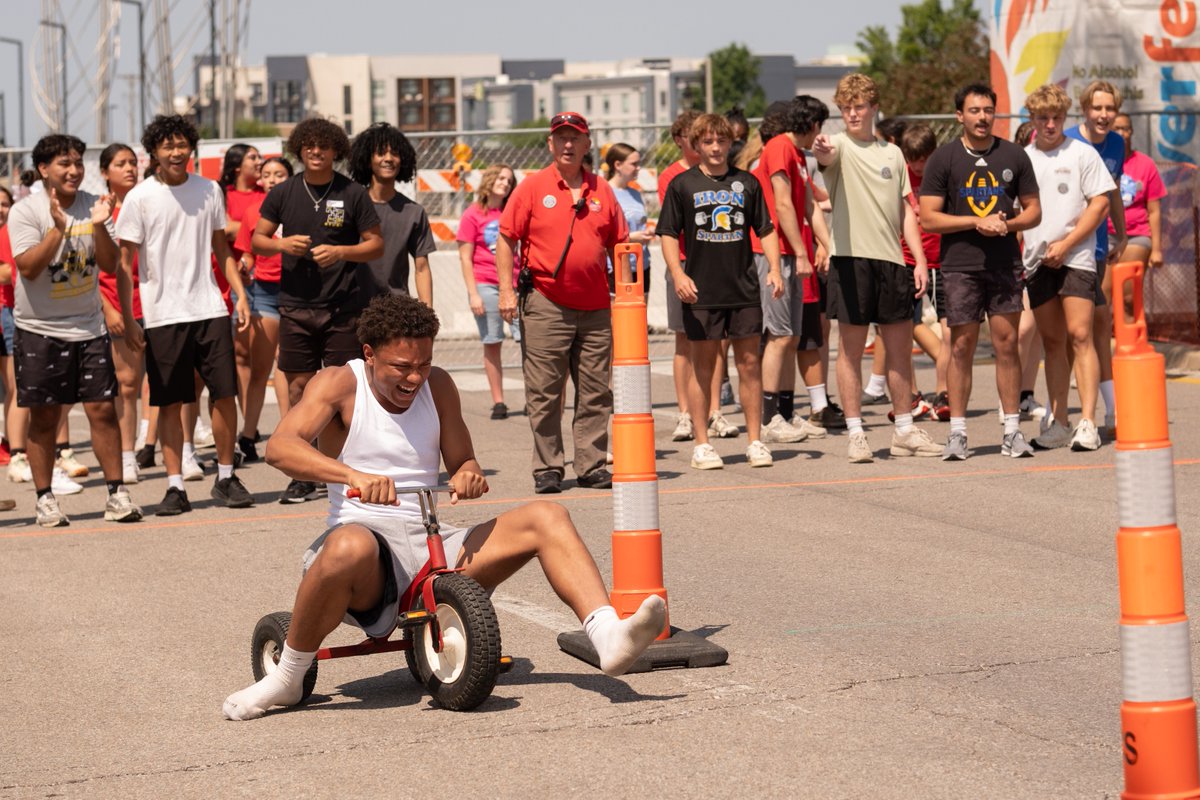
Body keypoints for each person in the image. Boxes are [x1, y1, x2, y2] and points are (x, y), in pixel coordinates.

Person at [221, 294, 666, 720]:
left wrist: (468, 472)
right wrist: (351, 476)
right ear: (370, 353)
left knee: (547, 517)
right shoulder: (339, 383)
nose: (414, 378)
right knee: (349, 545)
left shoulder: (438, 386)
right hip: (363, 550)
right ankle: (288, 676)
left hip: (432, 541)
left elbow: (462, 460)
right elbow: (280, 447)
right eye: (401, 366)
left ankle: (607, 636)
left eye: (423, 364)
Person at [115, 114, 255, 515]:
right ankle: (175, 485)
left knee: (224, 394)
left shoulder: (209, 189)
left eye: (182, 145)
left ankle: (226, 476)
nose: (176, 152)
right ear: (154, 152)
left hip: (210, 306)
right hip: (162, 315)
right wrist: (129, 318)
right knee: (171, 401)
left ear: (191, 148)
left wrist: (240, 296)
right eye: (167, 146)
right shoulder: (140, 197)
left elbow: (221, 250)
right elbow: (125, 264)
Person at [7, 134, 143, 527]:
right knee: (45, 417)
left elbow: (110, 262)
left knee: (103, 409)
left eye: (78, 163)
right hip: (38, 329)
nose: (73, 171)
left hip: (88, 326)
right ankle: (45, 498)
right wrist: (56, 229)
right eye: (64, 164)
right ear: (44, 169)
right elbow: (29, 269)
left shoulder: (94, 206)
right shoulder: (25, 211)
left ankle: (117, 493)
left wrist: (100, 226)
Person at [252, 118, 384, 505]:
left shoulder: (353, 192)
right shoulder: (284, 192)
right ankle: (302, 469)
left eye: (323, 146)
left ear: (335, 151)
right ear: (299, 149)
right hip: (295, 305)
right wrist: (282, 245)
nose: (315, 151)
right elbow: (257, 240)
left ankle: (345, 464)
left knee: (344, 387)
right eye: (308, 145)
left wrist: (342, 251)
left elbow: (375, 245)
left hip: (344, 306)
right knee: (297, 387)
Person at [495, 111, 628, 494]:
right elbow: (506, 239)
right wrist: (507, 290)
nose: (569, 144)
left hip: (595, 305)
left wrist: (627, 295)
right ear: (551, 144)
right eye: (562, 138)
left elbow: (620, 244)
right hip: (545, 303)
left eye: (576, 138)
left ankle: (590, 465)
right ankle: (548, 467)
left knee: (595, 390)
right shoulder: (532, 187)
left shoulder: (602, 189)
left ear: (588, 145)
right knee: (545, 391)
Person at [813, 73, 942, 463]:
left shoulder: (893, 153)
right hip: (851, 260)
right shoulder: (836, 145)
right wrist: (821, 149)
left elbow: (907, 211)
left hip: (892, 261)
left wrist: (918, 259)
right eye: (846, 107)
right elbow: (825, 156)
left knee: (900, 350)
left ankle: (904, 430)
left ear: (873, 108)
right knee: (851, 350)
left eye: (859, 106)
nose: (852, 113)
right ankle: (856, 433)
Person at [918, 83, 1042, 460]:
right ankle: (957, 433)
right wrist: (977, 221)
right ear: (960, 116)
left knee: (1007, 344)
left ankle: (1012, 431)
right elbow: (928, 217)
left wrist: (1008, 225)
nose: (982, 117)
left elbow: (1034, 211)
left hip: (1005, 264)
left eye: (988, 110)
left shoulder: (1015, 155)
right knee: (960, 347)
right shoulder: (944, 158)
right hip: (960, 267)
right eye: (974, 110)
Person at [658, 113, 784, 470]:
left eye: (722, 141)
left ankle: (755, 440)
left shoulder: (747, 183)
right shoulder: (682, 185)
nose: (715, 148)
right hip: (701, 291)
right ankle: (702, 443)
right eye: (708, 142)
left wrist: (774, 269)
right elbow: (667, 232)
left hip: (742, 288)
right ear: (696, 146)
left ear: (731, 143)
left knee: (749, 364)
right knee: (703, 366)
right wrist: (677, 273)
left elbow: (766, 228)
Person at [1021, 84, 1113, 452]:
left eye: (1057, 117)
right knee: (1053, 343)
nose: (1050, 124)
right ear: (1032, 118)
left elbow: (1100, 204)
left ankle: (1087, 421)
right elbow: (1016, 211)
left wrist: (1067, 243)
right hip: (1037, 262)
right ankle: (1059, 423)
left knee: (1080, 335)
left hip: (1077, 259)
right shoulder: (1022, 158)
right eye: (1043, 117)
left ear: (1065, 118)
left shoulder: (1082, 153)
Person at [751, 100, 830, 445]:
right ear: (810, 123)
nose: (821, 134)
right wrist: (800, 252)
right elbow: (781, 204)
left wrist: (826, 244)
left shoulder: (798, 154)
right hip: (774, 252)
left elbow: (808, 206)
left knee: (792, 335)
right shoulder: (780, 147)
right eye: (820, 126)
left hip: (794, 251)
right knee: (778, 334)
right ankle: (769, 419)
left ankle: (784, 410)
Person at [1067, 80, 1127, 435]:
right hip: (1065, 247)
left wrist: (1121, 232)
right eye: (1098, 108)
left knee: (1098, 325)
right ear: (1085, 109)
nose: (1104, 115)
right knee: (1068, 334)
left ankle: (1110, 411)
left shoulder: (1117, 143)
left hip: (1098, 248)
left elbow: (1112, 191)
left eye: (1110, 109)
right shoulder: (1070, 141)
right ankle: (1056, 412)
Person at [233, 156, 294, 463]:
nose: (272, 179)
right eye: (267, 174)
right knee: (261, 369)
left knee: (288, 365)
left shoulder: (301, 209)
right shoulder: (252, 211)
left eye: (279, 174)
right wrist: (243, 269)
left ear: (290, 178)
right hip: (264, 294)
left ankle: (291, 433)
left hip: (299, 293)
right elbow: (248, 254)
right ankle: (248, 435)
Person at [96, 143, 146, 484]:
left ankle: (170, 447)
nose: (129, 168)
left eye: (132, 162)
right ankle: (126, 454)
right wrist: (109, 306)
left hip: (156, 304)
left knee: (162, 385)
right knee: (126, 384)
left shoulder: (149, 201)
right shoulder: (99, 211)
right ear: (105, 172)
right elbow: (91, 270)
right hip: (117, 304)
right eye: (120, 163)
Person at [457, 163, 519, 420]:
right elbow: (465, 257)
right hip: (486, 283)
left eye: (509, 180)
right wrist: (473, 294)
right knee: (492, 343)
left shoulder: (513, 212)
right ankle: (499, 402)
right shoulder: (473, 215)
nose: (505, 183)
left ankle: (537, 399)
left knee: (531, 344)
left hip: (516, 285)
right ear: (490, 179)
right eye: (501, 177)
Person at [350, 123, 435, 308]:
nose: (388, 159)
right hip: (351, 308)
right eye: (381, 153)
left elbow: (421, 268)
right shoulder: (349, 205)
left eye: (394, 153)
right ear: (367, 159)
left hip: (396, 309)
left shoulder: (414, 212)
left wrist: (428, 317)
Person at [900, 125, 951, 422]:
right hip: (908, 259)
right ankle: (911, 394)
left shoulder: (941, 173)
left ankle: (943, 392)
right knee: (903, 330)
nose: (919, 165)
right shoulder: (901, 175)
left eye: (924, 158)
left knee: (949, 330)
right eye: (913, 159)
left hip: (942, 260)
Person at [1111, 113, 1166, 273]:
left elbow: (1154, 211)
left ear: (1132, 131)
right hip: (1107, 234)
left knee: (1128, 294)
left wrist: (1156, 250)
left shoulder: (1146, 164)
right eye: (1116, 129)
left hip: (1137, 234)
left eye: (1125, 129)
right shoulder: (1101, 160)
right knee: (1104, 294)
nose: (1121, 133)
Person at [605, 143, 654, 295]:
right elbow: (603, 235)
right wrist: (632, 238)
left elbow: (637, 224)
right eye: (634, 164)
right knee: (620, 315)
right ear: (618, 165)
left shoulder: (635, 193)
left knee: (640, 313)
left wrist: (647, 233)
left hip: (641, 264)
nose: (638, 168)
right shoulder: (605, 192)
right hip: (617, 266)